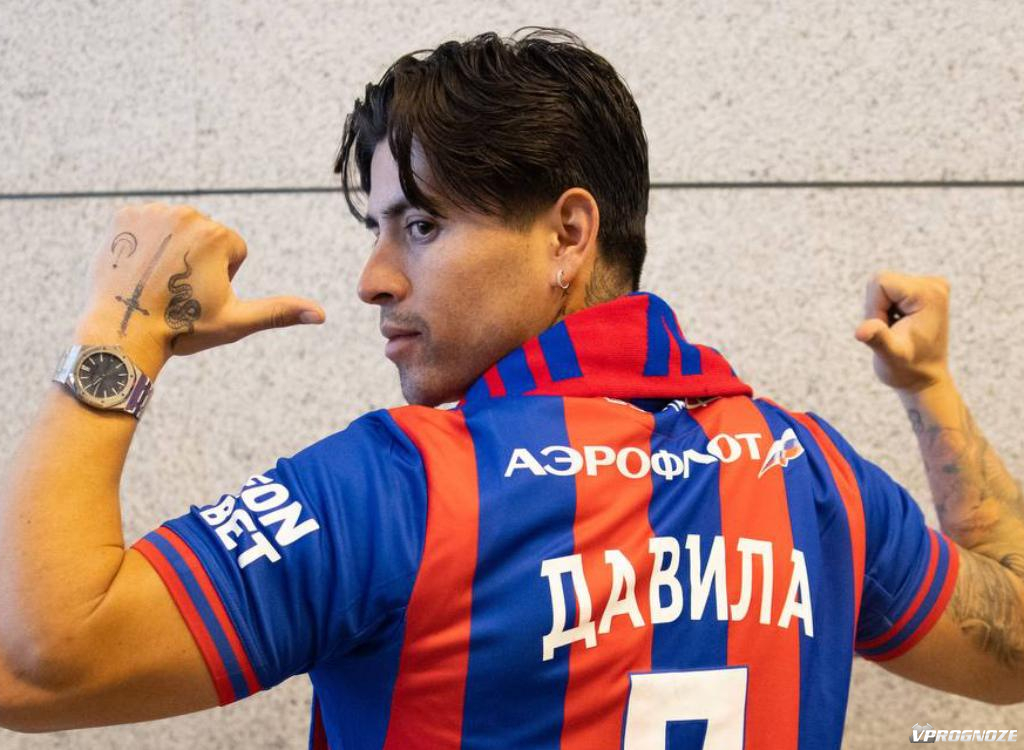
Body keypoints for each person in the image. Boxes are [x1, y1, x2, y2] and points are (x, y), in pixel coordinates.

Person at [0, 26, 1021, 750]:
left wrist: (122, 328)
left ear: (567, 235)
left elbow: (36, 662)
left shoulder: (397, 489)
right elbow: (1012, 646)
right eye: (378, 230)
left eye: (421, 225)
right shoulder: (813, 476)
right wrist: (928, 387)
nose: (374, 279)